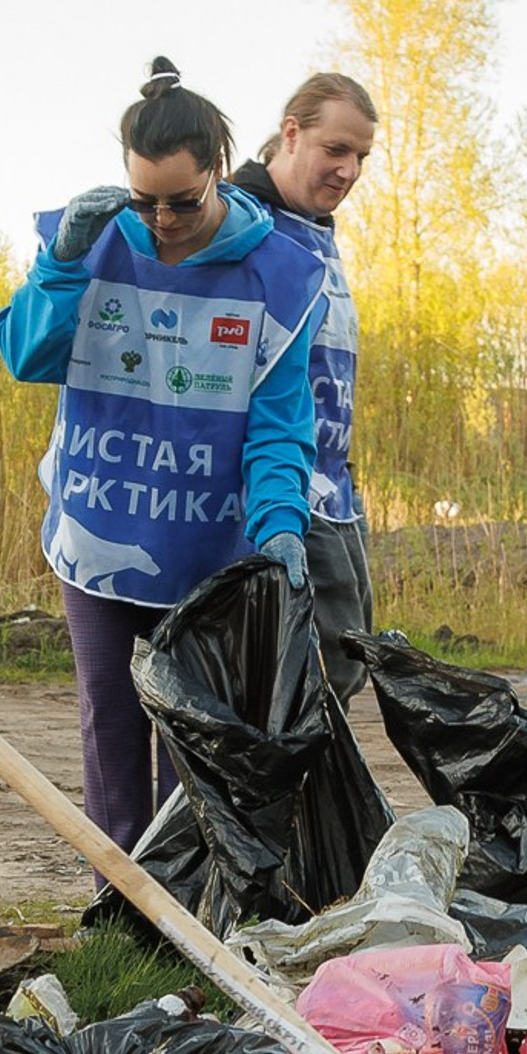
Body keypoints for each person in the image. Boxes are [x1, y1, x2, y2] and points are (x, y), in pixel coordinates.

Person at [0, 62, 327, 853]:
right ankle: (120, 897)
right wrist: (62, 266)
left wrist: (281, 523)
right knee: (108, 718)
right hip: (97, 535)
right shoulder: (93, 240)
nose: (163, 220)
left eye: (183, 201)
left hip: (208, 550)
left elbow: (280, 427)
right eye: (145, 201)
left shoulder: (279, 278)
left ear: (218, 170)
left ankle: (182, 896)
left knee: (194, 733)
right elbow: (26, 357)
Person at [228, 72, 379, 700]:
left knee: (346, 661)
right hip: (278, 484)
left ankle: (312, 799)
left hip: (333, 484)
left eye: (362, 158)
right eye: (336, 150)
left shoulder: (315, 229)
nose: (349, 171)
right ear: (291, 133)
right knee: (296, 681)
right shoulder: (242, 223)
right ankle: (278, 800)